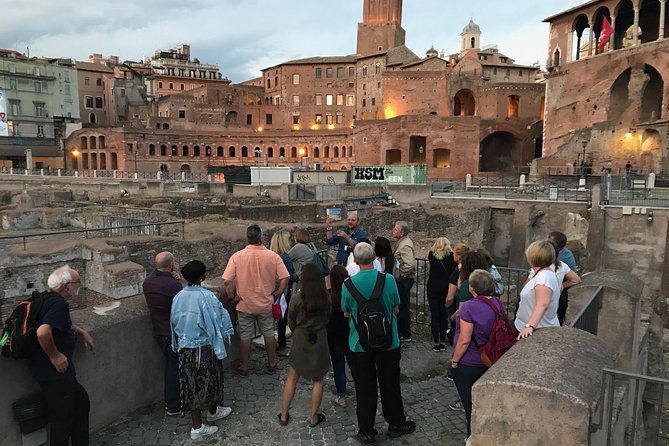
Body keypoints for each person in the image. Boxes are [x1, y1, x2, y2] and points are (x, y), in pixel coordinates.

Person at [342, 242, 416, 444]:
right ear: (374, 257)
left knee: (364, 388)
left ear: (355, 261)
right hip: (388, 343)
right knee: (390, 385)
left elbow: (347, 313)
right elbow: (396, 309)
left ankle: (366, 430)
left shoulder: (347, 285)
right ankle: (396, 424)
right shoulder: (389, 280)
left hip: (359, 345)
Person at [27, 265, 94, 446]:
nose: (79, 285)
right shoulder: (58, 304)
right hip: (54, 373)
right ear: (65, 286)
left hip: (54, 373)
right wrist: (55, 355)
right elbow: (42, 332)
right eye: (77, 282)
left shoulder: (46, 299)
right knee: (62, 420)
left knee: (81, 403)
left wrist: (81, 331)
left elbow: (58, 322)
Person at [171, 261, 234, 440]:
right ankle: (197, 427)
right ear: (203, 277)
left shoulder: (178, 296)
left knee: (196, 382)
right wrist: (221, 343)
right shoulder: (207, 297)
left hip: (185, 347)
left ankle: (213, 410)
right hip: (202, 348)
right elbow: (215, 323)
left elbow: (173, 321)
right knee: (202, 383)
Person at [223, 224, 289, 376]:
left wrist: (232, 296)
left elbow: (226, 281)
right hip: (266, 303)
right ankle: (271, 364)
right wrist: (278, 293)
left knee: (245, 336)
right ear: (261, 238)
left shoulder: (237, 256)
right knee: (269, 334)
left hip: (244, 304)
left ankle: (244, 366)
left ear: (248, 238)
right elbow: (285, 278)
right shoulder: (273, 256)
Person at [451, 269, 504, 440]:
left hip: (470, 361)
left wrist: (454, 360)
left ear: (472, 289)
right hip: (490, 359)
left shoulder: (469, 307)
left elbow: (465, 340)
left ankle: (472, 438)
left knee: (470, 405)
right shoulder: (497, 303)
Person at [278, 263, 331, 428]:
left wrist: (297, 330)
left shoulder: (296, 299)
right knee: (318, 379)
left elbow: (291, 320)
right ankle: (313, 417)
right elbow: (328, 318)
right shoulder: (326, 299)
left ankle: (284, 414)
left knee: (292, 376)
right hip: (319, 338)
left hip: (301, 337)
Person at [142, 251, 183, 416]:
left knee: (171, 366)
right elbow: (181, 304)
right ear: (172, 265)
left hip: (158, 330)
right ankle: (173, 405)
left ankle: (173, 402)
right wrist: (178, 281)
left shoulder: (148, 282)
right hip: (172, 332)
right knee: (173, 368)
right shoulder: (173, 285)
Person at [514, 240, 561, 340]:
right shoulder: (545, 273)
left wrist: (530, 326)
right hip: (533, 326)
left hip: (537, 330)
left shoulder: (544, 277)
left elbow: (542, 304)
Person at [270, 230, 299, 356]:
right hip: (283, 291)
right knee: (282, 318)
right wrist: (297, 275)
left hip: (271, 289)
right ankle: (281, 345)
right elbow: (288, 276)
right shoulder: (285, 258)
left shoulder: (271, 255)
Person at [327, 264, 351, 408]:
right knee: (354, 362)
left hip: (334, 335)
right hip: (349, 333)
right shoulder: (350, 293)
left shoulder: (328, 296)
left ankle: (341, 395)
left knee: (338, 366)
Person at [427, 237, 457, 351]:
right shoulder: (450, 258)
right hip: (445, 288)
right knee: (443, 315)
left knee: (435, 315)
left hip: (432, 287)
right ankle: (443, 341)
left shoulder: (431, 255)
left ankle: (435, 341)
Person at [546, 239, 582, 325]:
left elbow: (542, 305)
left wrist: (530, 325)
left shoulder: (544, 269)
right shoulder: (562, 265)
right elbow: (576, 279)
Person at [392, 220, 415, 342]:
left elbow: (410, 264)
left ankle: (405, 333)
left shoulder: (405, 245)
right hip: (404, 278)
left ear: (401, 233)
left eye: (395, 229)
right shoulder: (402, 242)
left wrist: (400, 275)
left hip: (404, 279)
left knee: (403, 306)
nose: (393, 231)